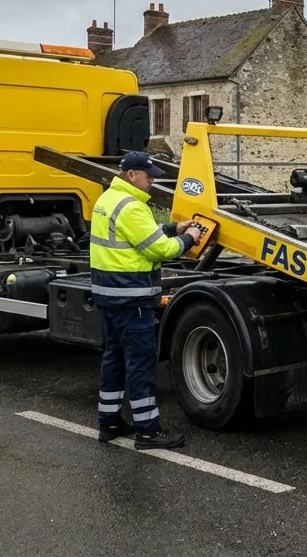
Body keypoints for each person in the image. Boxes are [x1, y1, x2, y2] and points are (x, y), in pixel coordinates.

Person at [89, 151, 205, 449]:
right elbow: (160, 251)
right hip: (134, 299)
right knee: (140, 363)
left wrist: (170, 228)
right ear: (131, 175)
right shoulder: (132, 207)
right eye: (148, 174)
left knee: (113, 359)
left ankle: (109, 423)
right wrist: (190, 237)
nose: (152, 179)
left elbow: (136, 239)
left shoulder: (108, 200)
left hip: (110, 296)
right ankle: (147, 431)